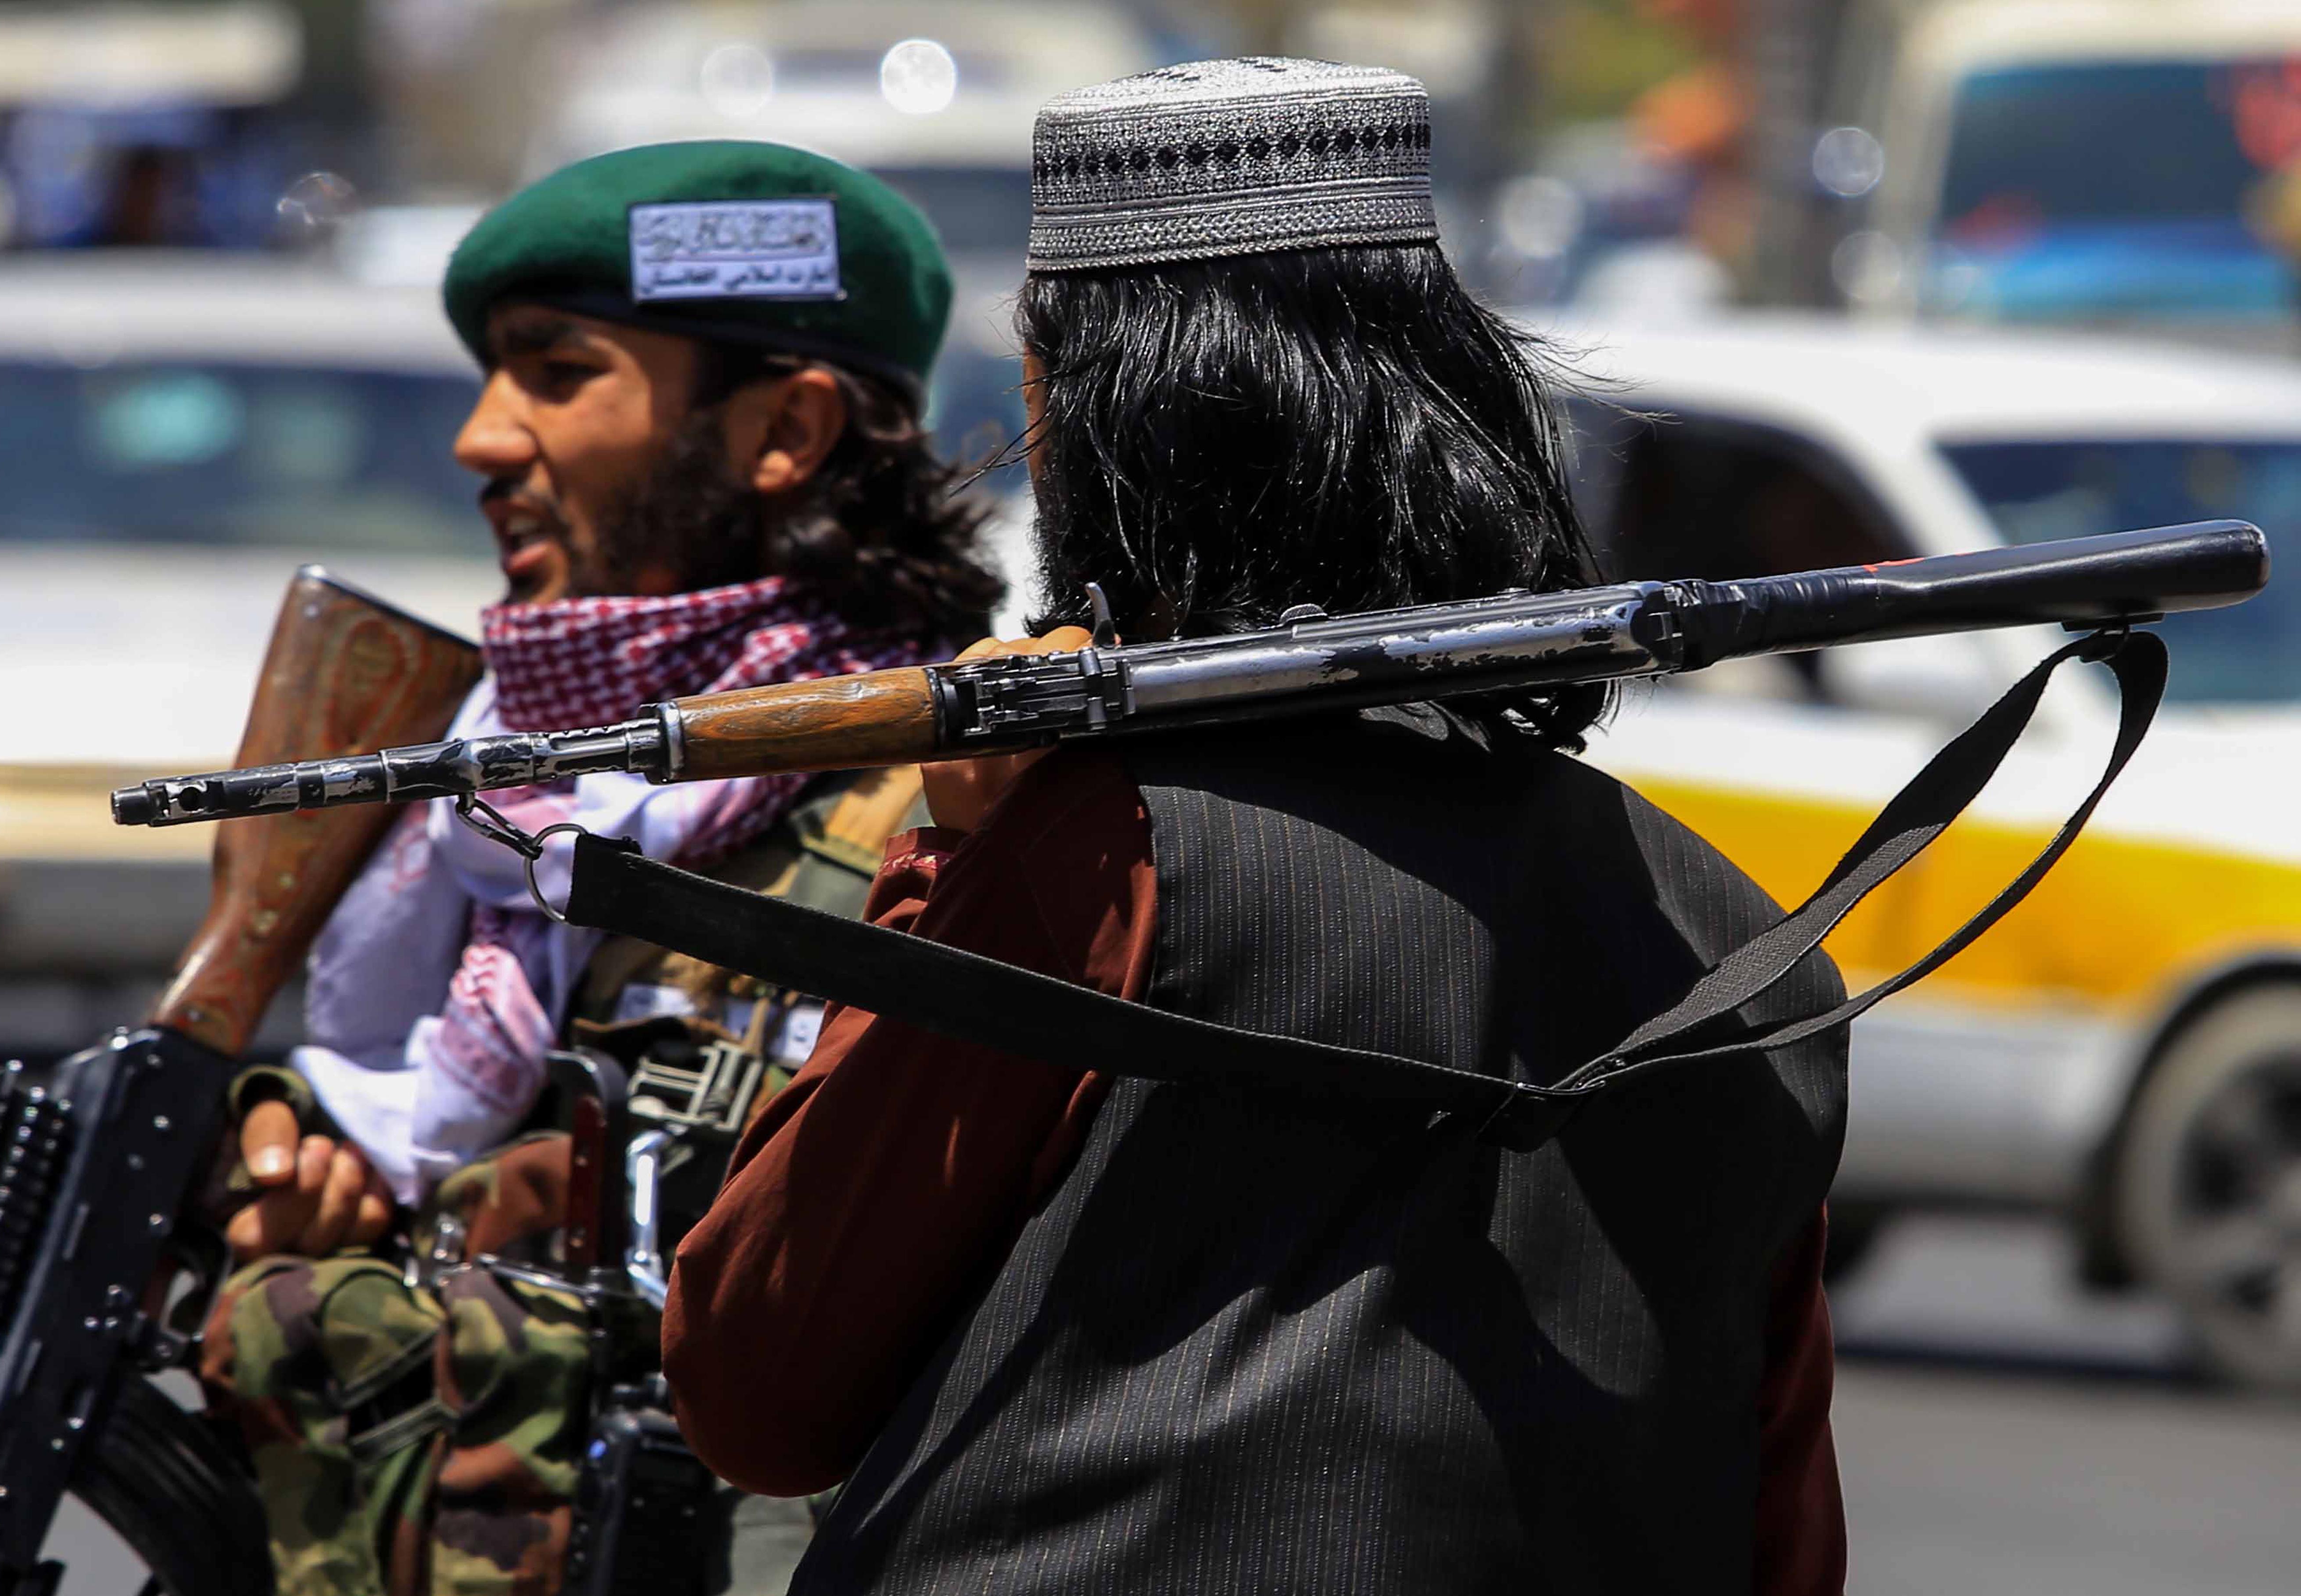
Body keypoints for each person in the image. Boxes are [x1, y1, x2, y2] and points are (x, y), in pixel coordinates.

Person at [665, 60, 1847, 1595]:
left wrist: (949, 862)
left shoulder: (1105, 858)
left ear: (1086, 410)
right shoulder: (1748, 935)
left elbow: (759, 1377)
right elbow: (1782, 1536)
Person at [197, 140, 1000, 1596]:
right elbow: (392, 1086)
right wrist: (303, 1164)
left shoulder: (943, 818)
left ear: (789, 429)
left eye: (557, 373)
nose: (485, 440)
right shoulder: (482, 783)